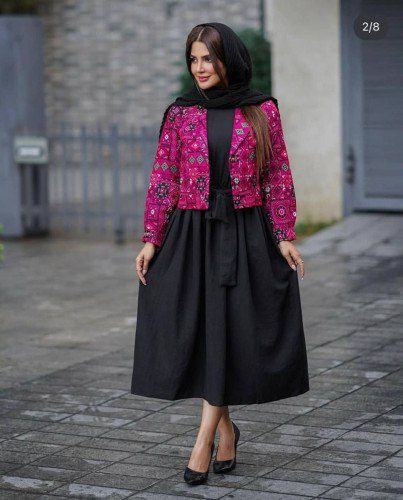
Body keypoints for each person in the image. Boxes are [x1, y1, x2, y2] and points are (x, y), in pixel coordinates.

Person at [131, 22, 309, 486]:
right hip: (191, 234)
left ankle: (203, 440)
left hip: (245, 233)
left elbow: (277, 173)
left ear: (228, 58)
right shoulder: (180, 113)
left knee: (230, 329)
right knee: (205, 333)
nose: (200, 68)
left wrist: (284, 234)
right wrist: (152, 238)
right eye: (193, 59)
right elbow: (165, 176)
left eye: (208, 58)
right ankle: (226, 429)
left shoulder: (262, 110)